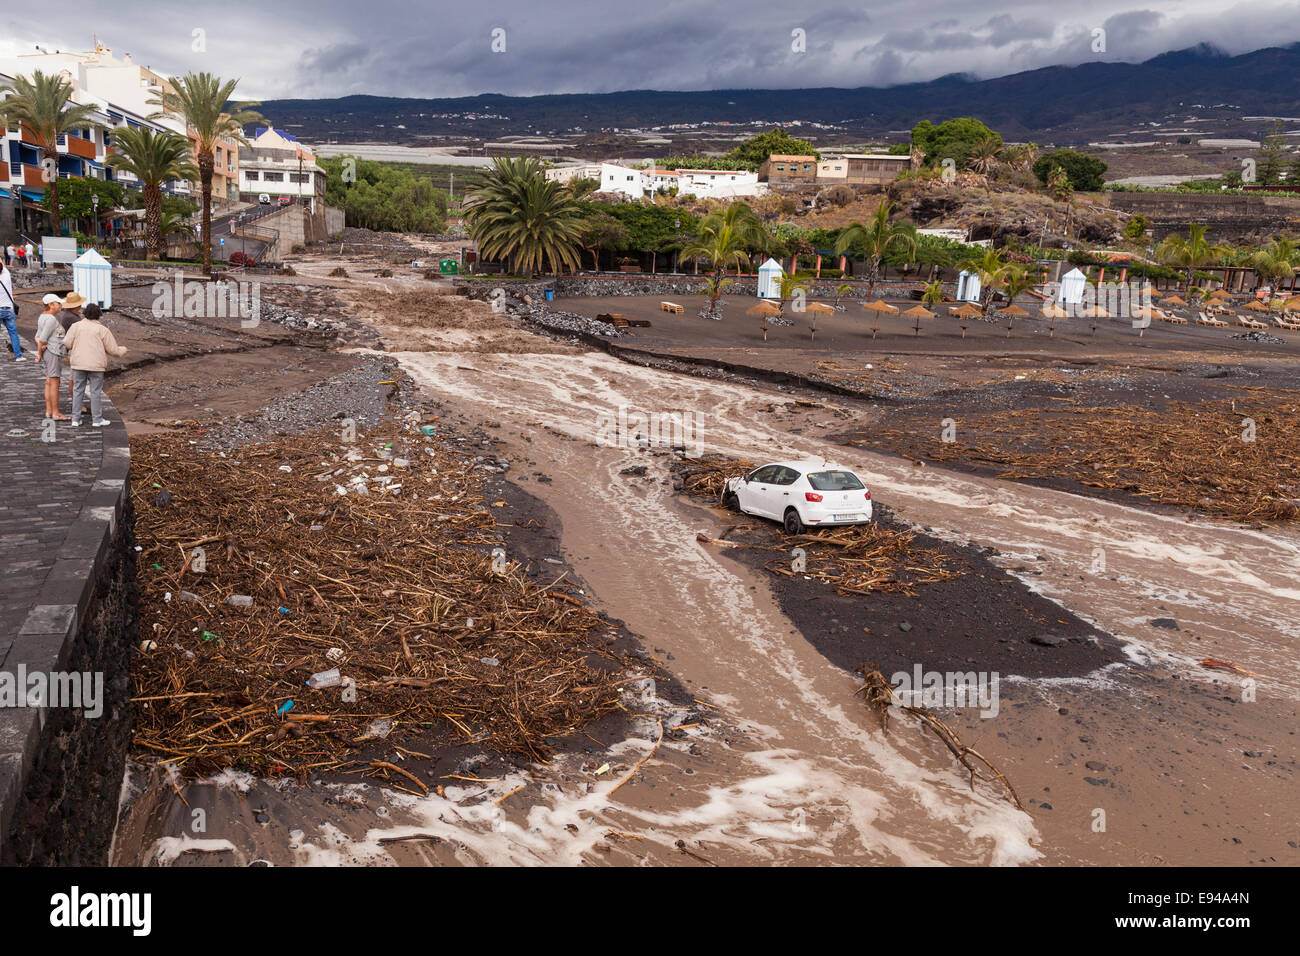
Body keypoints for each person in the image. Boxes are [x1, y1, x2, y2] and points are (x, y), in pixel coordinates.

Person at [62, 303, 126, 427]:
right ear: (99, 315)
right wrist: (123, 349)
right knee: (95, 392)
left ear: (85, 313)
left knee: (77, 390)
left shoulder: (76, 326)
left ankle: (75, 419)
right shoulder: (102, 330)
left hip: (78, 364)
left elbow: (67, 343)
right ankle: (97, 420)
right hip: (96, 365)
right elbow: (113, 350)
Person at [34, 294, 68, 419]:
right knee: (54, 383)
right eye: (58, 303)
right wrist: (40, 350)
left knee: (49, 382)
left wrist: (41, 348)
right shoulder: (51, 319)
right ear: (51, 305)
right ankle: (55, 412)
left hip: (47, 352)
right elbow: (42, 339)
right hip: (53, 352)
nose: (60, 305)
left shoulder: (42, 317)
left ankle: (49, 411)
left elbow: (37, 337)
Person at [58, 292, 87, 410]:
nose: (80, 306)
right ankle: (78, 405)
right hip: (75, 349)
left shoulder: (68, 315)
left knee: (75, 377)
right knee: (75, 378)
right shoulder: (72, 318)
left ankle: (79, 403)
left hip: (73, 348)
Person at [1, 259, 24, 361]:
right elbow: (2, 263)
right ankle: (18, 356)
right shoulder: (6, 275)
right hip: (9, 309)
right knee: (13, 333)